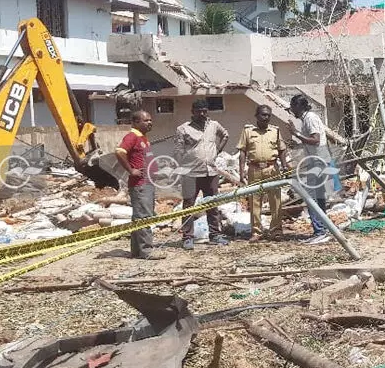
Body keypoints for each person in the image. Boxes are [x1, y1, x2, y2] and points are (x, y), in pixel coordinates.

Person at [174, 99, 230, 250]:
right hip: (191, 173)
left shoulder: (214, 125)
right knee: (189, 205)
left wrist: (217, 151)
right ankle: (187, 237)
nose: (202, 114)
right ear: (192, 112)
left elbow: (225, 135)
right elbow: (178, 151)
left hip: (211, 172)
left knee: (212, 204)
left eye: (205, 111)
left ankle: (215, 235)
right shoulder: (183, 129)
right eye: (199, 111)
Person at [115, 110, 165, 260]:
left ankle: (137, 250)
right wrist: (131, 170)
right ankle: (147, 251)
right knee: (144, 217)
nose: (150, 123)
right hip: (140, 184)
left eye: (150, 120)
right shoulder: (132, 136)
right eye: (146, 120)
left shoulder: (143, 138)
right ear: (136, 122)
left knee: (139, 217)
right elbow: (119, 152)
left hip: (147, 182)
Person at [237, 105, 290, 239]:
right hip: (254, 169)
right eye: (263, 115)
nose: (266, 117)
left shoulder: (275, 131)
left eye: (268, 115)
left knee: (275, 201)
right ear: (256, 116)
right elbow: (242, 151)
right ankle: (256, 232)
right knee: (254, 201)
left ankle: (276, 231)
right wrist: (241, 171)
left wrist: (284, 166)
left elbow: (282, 149)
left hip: (272, 169)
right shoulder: (248, 131)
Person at [289, 94, 331, 242]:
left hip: (318, 162)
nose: (292, 110)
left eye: (293, 107)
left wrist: (296, 134)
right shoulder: (307, 118)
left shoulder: (310, 118)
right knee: (319, 197)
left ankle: (320, 231)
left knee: (310, 197)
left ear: (299, 106)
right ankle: (324, 228)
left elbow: (315, 140)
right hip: (318, 160)